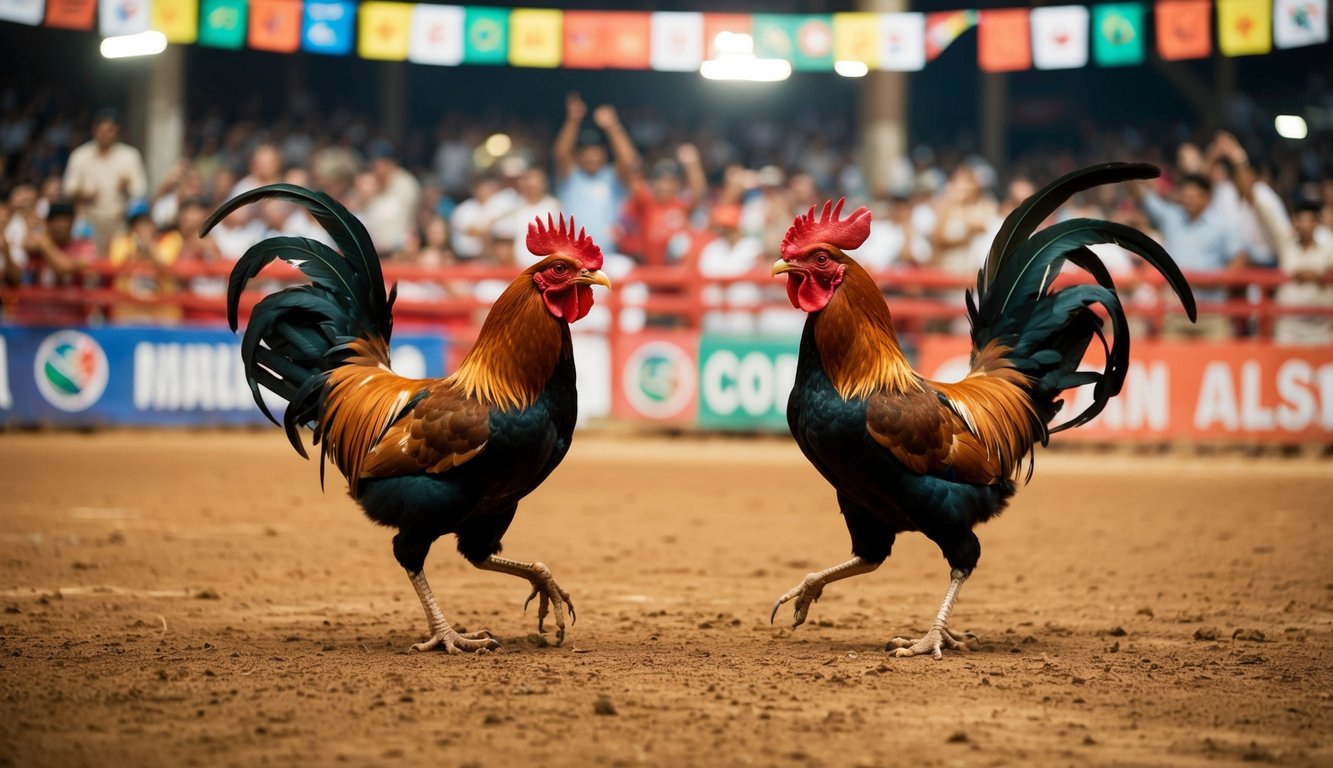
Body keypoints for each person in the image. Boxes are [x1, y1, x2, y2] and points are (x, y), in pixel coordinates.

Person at [1221, 137, 1333, 345]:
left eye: (1310, 219)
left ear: (1317, 222)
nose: (1304, 224)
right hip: (1287, 329)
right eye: (1300, 219)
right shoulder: (1285, 243)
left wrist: (1318, 275)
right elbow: (1253, 198)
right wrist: (1239, 159)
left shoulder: (1329, 243)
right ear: (1294, 221)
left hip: (1323, 331)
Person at [1132, 173, 1247, 340]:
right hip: (1175, 311)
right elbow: (1144, 199)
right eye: (1185, 196)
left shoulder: (1222, 225)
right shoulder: (1170, 217)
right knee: (1171, 362)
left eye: (1194, 196)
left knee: (1217, 362)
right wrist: (1125, 173)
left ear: (1206, 197)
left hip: (1212, 312)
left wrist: (1219, 280)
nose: (1189, 200)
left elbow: (1239, 258)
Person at [552, 93, 637, 252]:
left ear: (604, 153)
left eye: (596, 150)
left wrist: (612, 126)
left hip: (608, 254)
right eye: (586, 151)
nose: (591, 156)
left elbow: (629, 161)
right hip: (573, 256)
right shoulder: (571, 177)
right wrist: (573, 120)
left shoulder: (612, 177)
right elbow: (560, 154)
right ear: (578, 155)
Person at [62, 109, 147, 255]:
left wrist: (127, 186)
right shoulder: (80, 155)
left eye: (110, 130)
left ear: (117, 132)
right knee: (90, 267)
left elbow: (141, 190)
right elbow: (67, 189)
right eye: (101, 130)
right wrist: (83, 193)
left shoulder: (129, 156)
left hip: (120, 222)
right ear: (93, 130)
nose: (105, 134)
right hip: (88, 222)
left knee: (119, 265)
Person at [618, 144, 707, 267]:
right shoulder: (645, 202)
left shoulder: (680, 205)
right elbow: (630, 172)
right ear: (652, 183)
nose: (664, 186)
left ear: (678, 185)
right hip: (650, 272)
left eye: (670, 181)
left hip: (675, 274)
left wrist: (692, 164)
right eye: (660, 180)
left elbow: (698, 193)